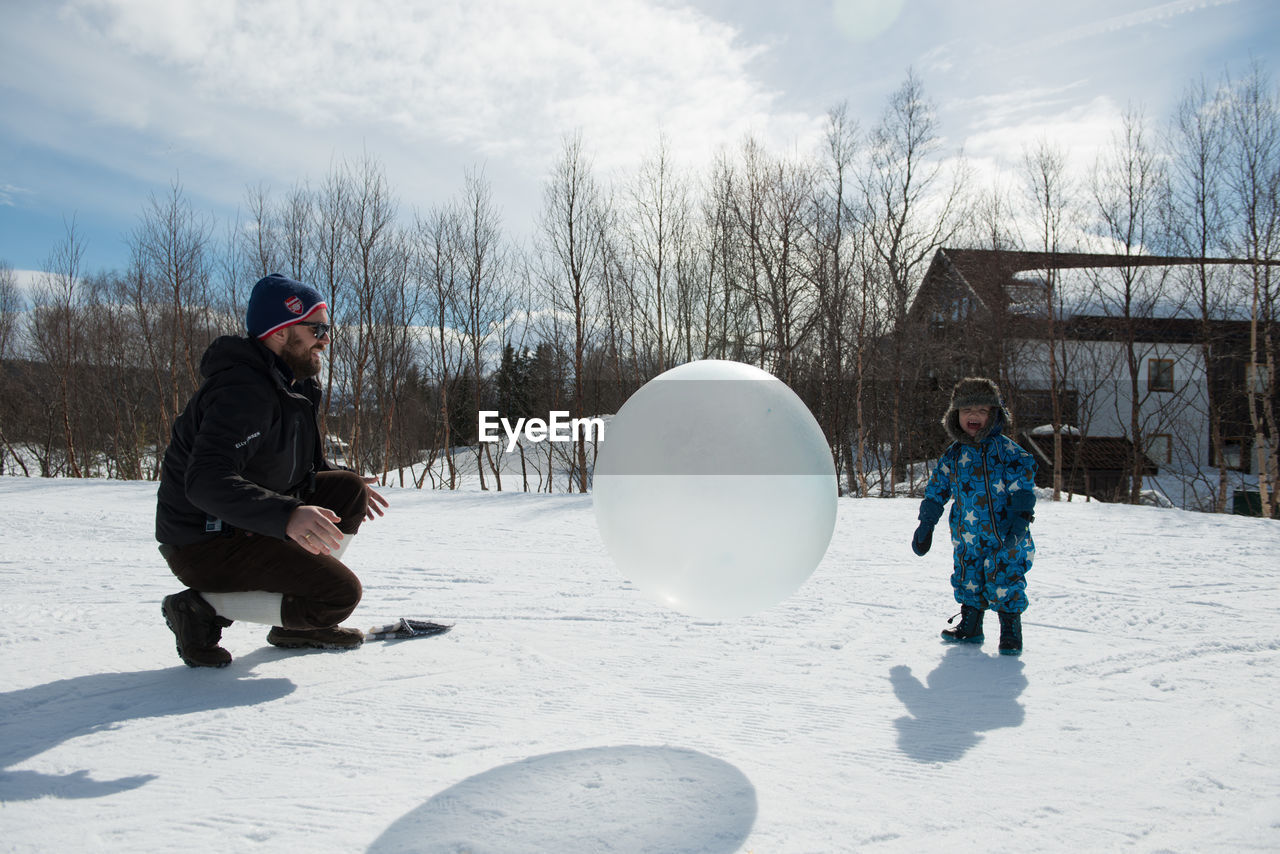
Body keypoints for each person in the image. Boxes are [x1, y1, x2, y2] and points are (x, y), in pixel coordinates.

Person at [155, 273, 388, 668]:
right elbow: (205, 481)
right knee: (338, 596)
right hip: (204, 541)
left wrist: (336, 475)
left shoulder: (294, 386)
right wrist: (287, 515)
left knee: (347, 489)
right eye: (317, 329)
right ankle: (199, 608)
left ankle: (296, 622)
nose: (326, 339)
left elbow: (302, 466)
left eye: (327, 329)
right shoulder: (241, 392)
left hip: (248, 522)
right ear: (280, 333)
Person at [910, 377, 1037, 655]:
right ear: (956, 416)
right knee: (969, 577)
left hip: (1006, 536)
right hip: (968, 537)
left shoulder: (1009, 453)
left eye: (981, 410)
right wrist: (926, 524)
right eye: (967, 411)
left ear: (994, 414)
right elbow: (936, 491)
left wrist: (1020, 520)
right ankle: (970, 626)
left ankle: (1011, 633)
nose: (974, 416)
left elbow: (1023, 491)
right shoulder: (953, 457)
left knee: (1006, 581)